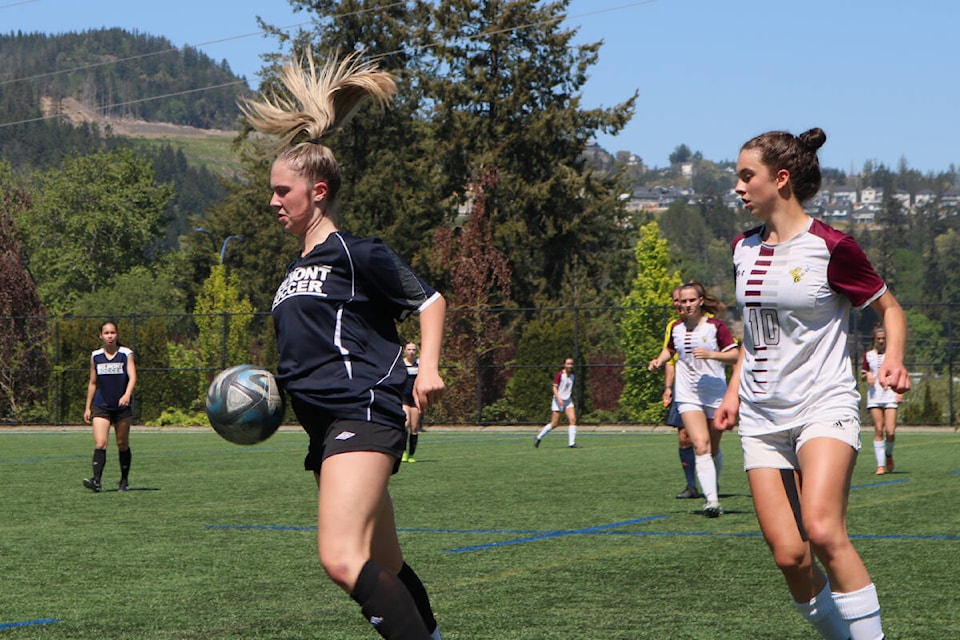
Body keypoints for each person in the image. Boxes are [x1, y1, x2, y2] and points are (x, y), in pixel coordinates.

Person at [240, 51, 445, 640]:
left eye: (283, 191)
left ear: (318, 192)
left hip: (363, 413)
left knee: (340, 558)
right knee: (386, 566)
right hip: (324, 427)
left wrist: (426, 369)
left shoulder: (359, 253)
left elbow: (430, 302)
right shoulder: (290, 271)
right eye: (272, 191)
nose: (273, 201)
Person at [715, 127, 910, 640]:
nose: (737, 187)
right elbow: (755, 337)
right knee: (790, 556)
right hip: (761, 417)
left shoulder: (832, 246)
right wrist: (735, 392)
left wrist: (893, 358)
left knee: (823, 530)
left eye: (745, 176)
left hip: (825, 405)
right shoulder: (742, 249)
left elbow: (890, 310)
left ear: (780, 180)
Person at [650, 283, 738, 517]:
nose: (686, 305)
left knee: (713, 448)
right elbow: (669, 349)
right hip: (687, 394)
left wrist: (712, 354)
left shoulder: (715, 327)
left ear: (700, 301)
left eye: (691, 300)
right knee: (700, 444)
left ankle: (712, 484)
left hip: (715, 394)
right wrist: (659, 361)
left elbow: (735, 354)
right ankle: (712, 501)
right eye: (682, 301)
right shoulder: (676, 328)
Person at [82, 320, 137, 493]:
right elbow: (92, 383)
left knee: (122, 444)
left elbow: (133, 377)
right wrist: (88, 407)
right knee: (100, 443)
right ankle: (96, 481)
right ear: (101, 336)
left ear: (117, 334)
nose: (110, 336)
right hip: (102, 406)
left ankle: (124, 480)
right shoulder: (96, 356)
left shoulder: (125, 354)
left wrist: (127, 394)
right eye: (106, 333)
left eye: (112, 332)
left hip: (121, 408)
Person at [660, 286, 701, 499]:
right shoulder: (673, 327)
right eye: (676, 301)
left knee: (707, 440)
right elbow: (671, 359)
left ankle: (711, 483)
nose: (679, 304)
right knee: (684, 438)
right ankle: (691, 485)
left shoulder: (707, 322)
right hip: (682, 388)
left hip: (704, 387)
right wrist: (668, 388)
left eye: (682, 300)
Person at [862, 325, 902, 475]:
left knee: (890, 431)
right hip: (874, 395)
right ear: (874, 340)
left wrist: (899, 392)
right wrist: (868, 375)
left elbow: (899, 371)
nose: (881, 341)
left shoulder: (893, 355)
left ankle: (888, 454)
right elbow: (863, 373)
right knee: (879, 429)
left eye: (883, 339)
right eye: (878, 339)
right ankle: (880, 466)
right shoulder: (869, 355)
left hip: (890, 393)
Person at [534, 357, 580, 448]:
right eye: (568, 364)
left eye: (571, 364)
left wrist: (567, 399)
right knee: (554, 423)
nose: (570, 366)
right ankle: (539, 437)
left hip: (568, 401)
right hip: (558, 400)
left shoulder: (572, 376)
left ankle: (571, 443)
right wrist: (559, 399)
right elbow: (554, 387)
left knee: (573, 420)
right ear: (564, 365)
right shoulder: (560, 375)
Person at [401, 342, 421, 463]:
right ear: (405, 351)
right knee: (405, 424)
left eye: (413, 350)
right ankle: (403, 451)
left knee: (414, 427)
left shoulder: (419, 364)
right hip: (404, 397)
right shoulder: (401, 364)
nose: (411, 352)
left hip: (415, 398)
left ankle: (411, 454)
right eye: (409, 349)